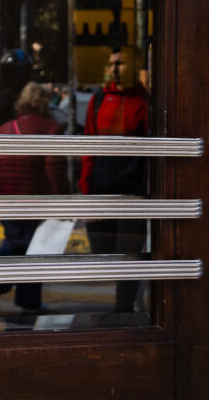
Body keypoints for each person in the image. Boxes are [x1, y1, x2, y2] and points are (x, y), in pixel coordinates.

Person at [0, 81, 69, 313]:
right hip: (36, 201)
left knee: (15, 241)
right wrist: (65, 200)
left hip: (8, 199)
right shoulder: (52, 129)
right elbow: (55, 170)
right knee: (33, 251)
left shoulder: (6, 128)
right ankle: (22, 297)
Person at [79, 46, 149, 313]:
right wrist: (86, 194)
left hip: (133, 192)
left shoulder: (146, 101)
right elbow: (89, 147)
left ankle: (124, 309)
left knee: (129, 256)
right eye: (111, 64)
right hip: (101, 189)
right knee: (102, 251)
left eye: (120, 63)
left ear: (134, 67)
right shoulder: (98, 100)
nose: (114, 68)